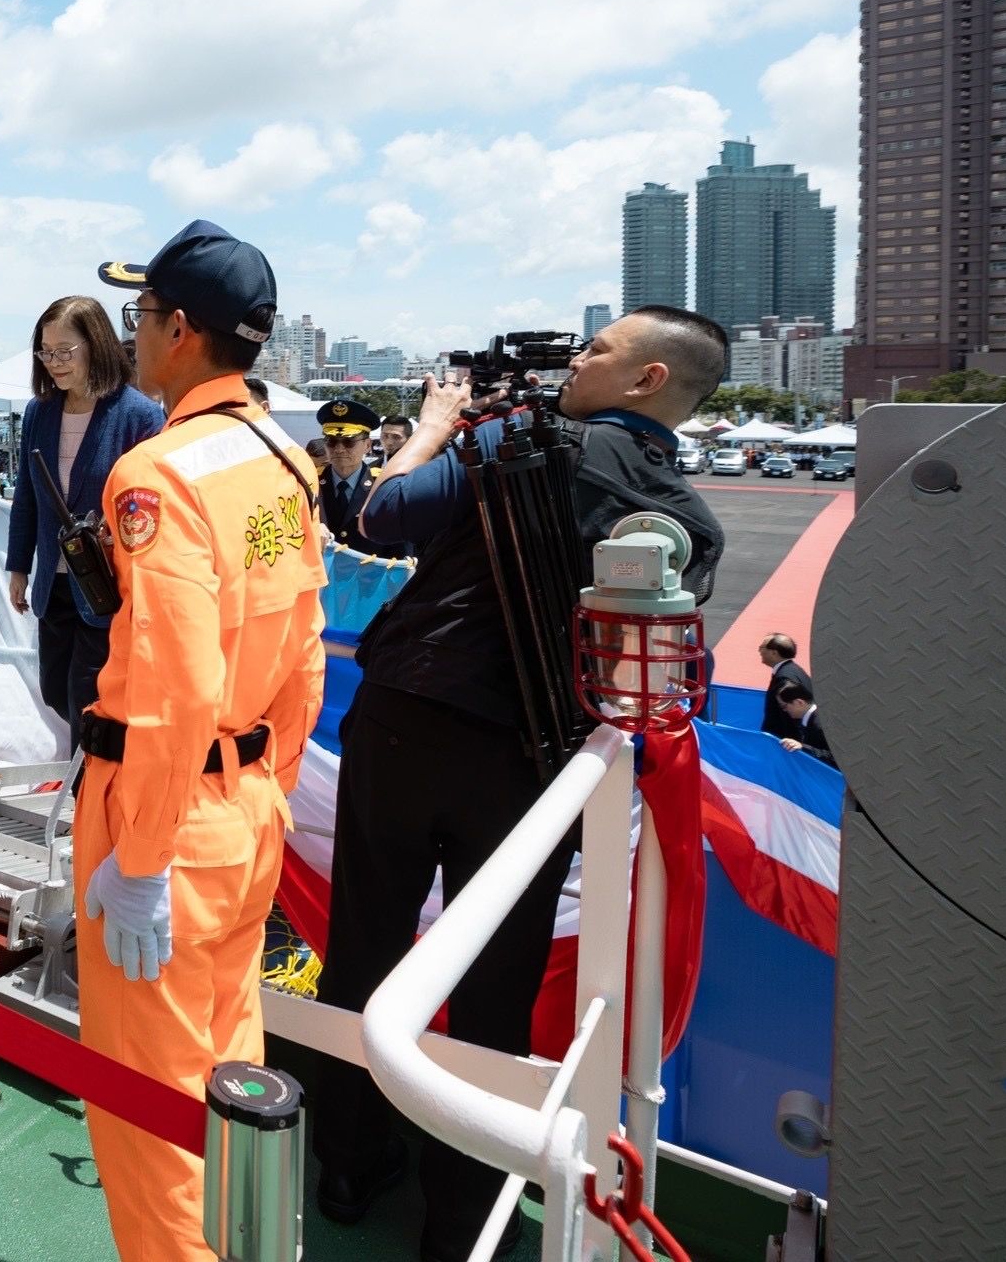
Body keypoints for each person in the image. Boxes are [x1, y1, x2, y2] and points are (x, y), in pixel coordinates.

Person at [311, 307, 728, 1261]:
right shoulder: (681, 513)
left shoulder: (505, 438)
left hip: (409, 723)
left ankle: (348, 1164)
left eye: (598, 349)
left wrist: (430, 426)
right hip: (537, 769)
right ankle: (463, 1219)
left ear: (647, 378)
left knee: (366, 946)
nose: (577, 360)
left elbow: (380, 514)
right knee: (496, 993)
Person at [76, 220, 326, 1260]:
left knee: (148, 1112)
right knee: (229, 1062)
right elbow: (304, 652)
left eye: (139, 314)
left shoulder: (157, 474)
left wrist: (140, 856)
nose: (132, 332)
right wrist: (266, 785)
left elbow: (176, 686)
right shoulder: (287, 462)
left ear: (179, 328)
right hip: (249, 806)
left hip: (164, 820)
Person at [4, 296, 163, 727]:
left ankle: (87, 793)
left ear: (96, 344)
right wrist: (19, 567)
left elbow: (150, 506)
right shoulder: (40, 411)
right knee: (55, 691)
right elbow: (27, 497)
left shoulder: (140, 415)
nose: (53, 362)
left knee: (87, 704)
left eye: (64, 351)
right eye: (45, 351)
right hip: (54, 584)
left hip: (107, 586)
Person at [314, 398, 384, 550]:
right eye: (331, 441)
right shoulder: (311, 483)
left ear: (367, 445)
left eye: (348, 442)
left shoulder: (382, 484)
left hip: (368, 570)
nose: (339, 449)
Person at [757, 634, 814, 739]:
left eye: (762, 647)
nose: (759, 650)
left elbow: (791, 716)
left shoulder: (784, 678)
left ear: (774, 653)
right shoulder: (794, 670)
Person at [773, 681, 833, 763]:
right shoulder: (811, 719)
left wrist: (802, 747)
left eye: (784, 706)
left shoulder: (820, 726)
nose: (784, 710)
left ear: (799, 702)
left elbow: (836, 758)